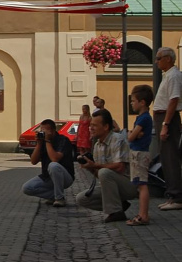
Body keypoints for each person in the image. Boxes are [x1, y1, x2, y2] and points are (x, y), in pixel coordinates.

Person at [76, 109, 136, 223]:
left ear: (106, 127)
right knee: (81, 199)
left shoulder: (118, 140)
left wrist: (96, 165)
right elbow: (101, 176)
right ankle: (119, 205)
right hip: (112, 185)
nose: (91, 128)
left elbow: (120, 168)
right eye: (90, 125)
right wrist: (90, 168)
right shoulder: (97, 145)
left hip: (129, 185)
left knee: (104, 172)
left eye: (94, 125)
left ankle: (116, 213)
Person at [153, 47, 182, 211]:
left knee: (170, 157)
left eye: (159, 58)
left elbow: (173, 100)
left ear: (168, 59)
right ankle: (172, 195)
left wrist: (165, 124)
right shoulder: (169, 75)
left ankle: (177, 196)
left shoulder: (173, 76)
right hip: (163, 117)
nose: (156, 61)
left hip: (167, 118)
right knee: (166, 157)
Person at [22, 119, 75, 207]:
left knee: (53, 165)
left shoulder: (63, 140)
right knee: (27, 188)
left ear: (52, 131)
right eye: (41, 131)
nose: (42, 133)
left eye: (44, 131)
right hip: (48, 176)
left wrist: (47, 141)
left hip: (65, 177)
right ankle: (53, 195)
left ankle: (59, 198)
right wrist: (39, 144)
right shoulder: (42, 142)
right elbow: (33, 161)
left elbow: (55, 159)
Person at [126, 84, 154, 226]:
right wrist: (134, 134)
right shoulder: (141, 118)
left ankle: (143, 215)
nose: (131, 103)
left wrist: (132, 134)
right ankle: (142, 213)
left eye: (133, 101)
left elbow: (130, 137)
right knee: (139, 184)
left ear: (142, 102)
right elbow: (134, 134)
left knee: (142, 184)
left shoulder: (144, 118)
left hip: (139, 154)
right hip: (137, 152)